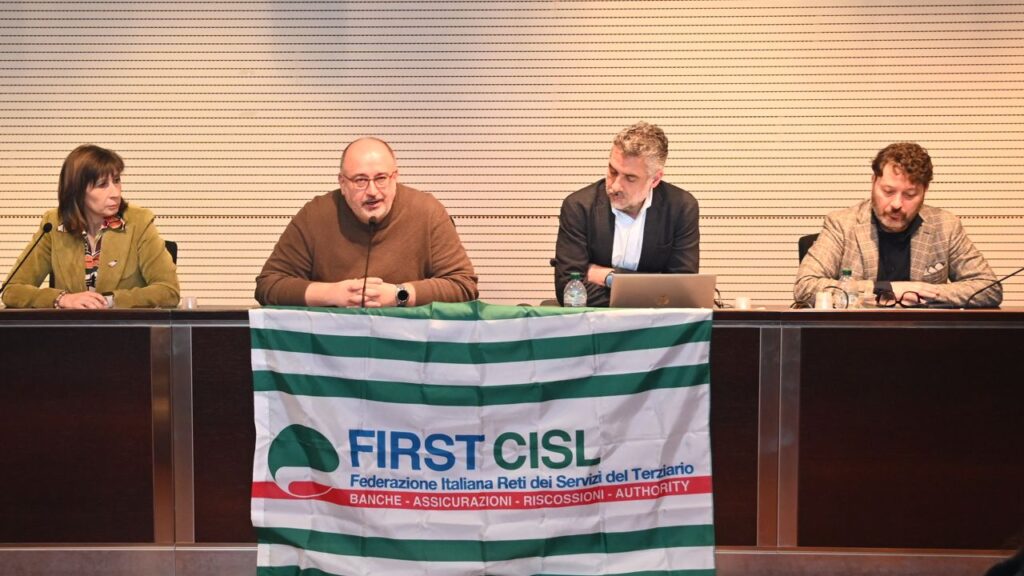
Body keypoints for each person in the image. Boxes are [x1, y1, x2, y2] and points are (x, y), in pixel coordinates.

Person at [255, 137, 478, 307]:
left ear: (395, 177)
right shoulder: (315, 214)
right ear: (342, 183)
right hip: (334, 344)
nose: (372, 191)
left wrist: (399, 295)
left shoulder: (427, 211)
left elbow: (463, 285)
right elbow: (269, 285)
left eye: (381, 178)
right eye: (360, 180)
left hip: (409, 344)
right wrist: (333, 294)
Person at [794, 142, 1001, 308]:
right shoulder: (842, 224)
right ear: (873, 181)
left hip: (924, 340)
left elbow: (989, 289)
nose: (896, 204)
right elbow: (805, 286)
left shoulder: (946, 226)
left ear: (924, 191)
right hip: (856, 339)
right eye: (888, 191)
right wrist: (887, 289)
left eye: (909, 195)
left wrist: (922, 292)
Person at [1, 145, 179, 309]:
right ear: (77, 191)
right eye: (102, 185)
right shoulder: (54, 225)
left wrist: (109, 300)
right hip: (71, 330)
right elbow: (12, 290)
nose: (115, 193)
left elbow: (168, 290)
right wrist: (62, 299)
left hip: (125, 330)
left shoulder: (138, 222)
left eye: (116, 180)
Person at [553, 121, 700, 306]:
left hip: (654, 323)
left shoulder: (681, 208)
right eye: (613, 171)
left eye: (630, 178)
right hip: (595, 320)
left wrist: (609, 277)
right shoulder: (579, 207)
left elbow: (681, 291)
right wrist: (653, 292)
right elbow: (569, 290)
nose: (615, 186)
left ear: (655, 179)